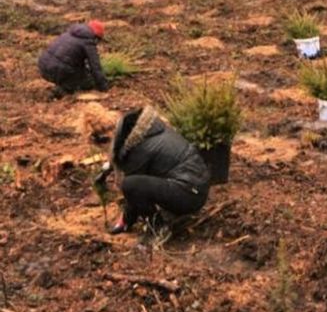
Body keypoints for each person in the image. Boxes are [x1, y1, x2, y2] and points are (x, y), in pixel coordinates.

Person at [95, 106, 210, 235]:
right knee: (134, 184)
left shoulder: (140, 149)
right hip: (196, 187)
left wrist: (126, 220)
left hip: (189, 195)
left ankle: (158, 228)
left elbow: (134, 190)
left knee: (129, 184)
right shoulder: (151, 132)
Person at [38, 20, 109, 97]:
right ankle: (63, 89)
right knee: (88, 82)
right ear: (96, 36)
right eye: (98, 40)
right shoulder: (88, 41)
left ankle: (63, 83)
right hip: (58, 71)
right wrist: (103, 87)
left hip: (43, 67)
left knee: (74, 68)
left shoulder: (69, 33)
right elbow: (95, 67)